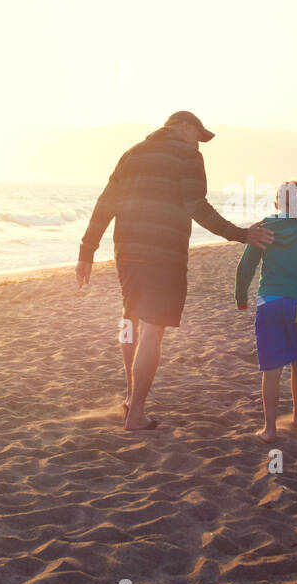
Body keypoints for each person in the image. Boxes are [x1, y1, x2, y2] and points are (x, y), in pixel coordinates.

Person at [76, 111, 274, 430]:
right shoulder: (187, 155)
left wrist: (87, 251)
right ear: (184, 128)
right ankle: (137, 413)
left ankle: (129, 397)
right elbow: (197, 206)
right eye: (199, 136)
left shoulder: (131, 153)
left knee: (129, 320)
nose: (200, 144)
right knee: (153, 330)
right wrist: (241, 234)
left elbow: (105, 203)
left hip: (126, 252)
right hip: (163, 253)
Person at [235, 181, 297, 443]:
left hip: (270, 304)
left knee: (271, 367)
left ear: (277, 203)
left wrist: (240, 296)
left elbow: (246, 266)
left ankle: (270, 429)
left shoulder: (265, 227)